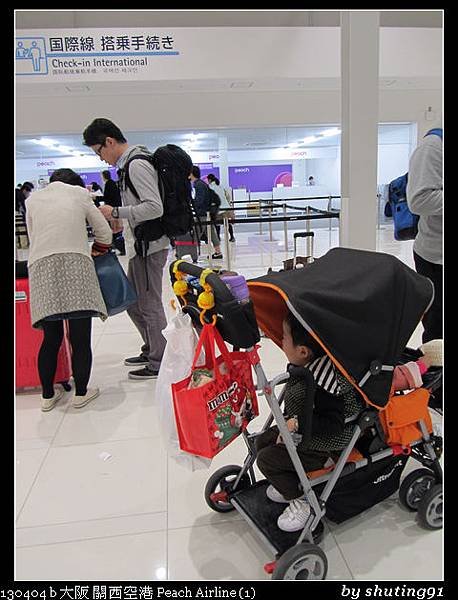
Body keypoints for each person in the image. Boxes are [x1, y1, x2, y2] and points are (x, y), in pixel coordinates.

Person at [255, 311, 441, 532]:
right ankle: (289, 482)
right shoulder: (318, 362)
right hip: (306, 428)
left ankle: (303, 501)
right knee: (261, 442)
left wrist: (298, 425)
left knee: (267, 459)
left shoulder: (327, 383)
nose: (281, 341)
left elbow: (332, 424)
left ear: (303, 351)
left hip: (327, 441)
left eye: (284, 338)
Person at [83, 118, 169, 380]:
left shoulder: (137, 164)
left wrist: (117, 211)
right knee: (133, 303)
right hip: (140, 245)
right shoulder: (129, 165)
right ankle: (151, 348)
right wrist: (123, 221)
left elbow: (155, 207)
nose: (101, 158)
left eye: (99, 151)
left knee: (149, 304)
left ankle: (160, 360)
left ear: (109, 141)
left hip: (150, 246)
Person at [25, 168, 113, 411]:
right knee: (80, 337)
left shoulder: (32, 199)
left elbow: (34, 237)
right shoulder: (79, 194)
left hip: (42, 267)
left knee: (50, 338)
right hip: (76, 265)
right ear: (75, 183)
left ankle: (46, 396)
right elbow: (104, 232)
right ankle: (81, 393)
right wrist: (98, 248)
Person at [406, 128, 443, 344]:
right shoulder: (434, 146)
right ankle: (437, 375)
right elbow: (419, 200)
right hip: (437, 258)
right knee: (438, 333)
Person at [189, 166, 223, 260]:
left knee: (196, 234)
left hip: (202, 214)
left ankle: (193, 254)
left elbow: (200, 200)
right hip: (207, 212)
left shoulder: (198, 184)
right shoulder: (201, 183)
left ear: (192, 174)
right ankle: (218, 252)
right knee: (211, 233)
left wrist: (192, 203)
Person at [101, 170, 126, 256]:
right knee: (117, 229)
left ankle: (116, 246)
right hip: (115, 209)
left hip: (112, 211)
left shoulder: (109, 184)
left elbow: (108, 197)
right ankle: (117, 246)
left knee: (115, 229)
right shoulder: (113, 183)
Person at [206, 173, 236, 242]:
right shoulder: (221, 186)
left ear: (209, 180)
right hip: (227, 208)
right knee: (228, 223)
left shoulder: (210, 187)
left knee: (217, 224)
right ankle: (232, 237)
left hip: (218, 209)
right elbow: (227, 196)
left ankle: (218, 237)